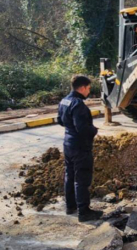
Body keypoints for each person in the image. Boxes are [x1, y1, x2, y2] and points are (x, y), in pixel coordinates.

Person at [57, 75, 103, 222]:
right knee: (82, 179)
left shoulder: (64, 101)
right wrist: (94, 130)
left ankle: (70, 206)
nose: (89, 91)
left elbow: (60, 121)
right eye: (88, 88)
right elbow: (82, 128)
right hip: (80, 147)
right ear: (82, 87)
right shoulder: (78, 105)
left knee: (69, 176)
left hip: (68, 144)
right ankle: (84, 212)